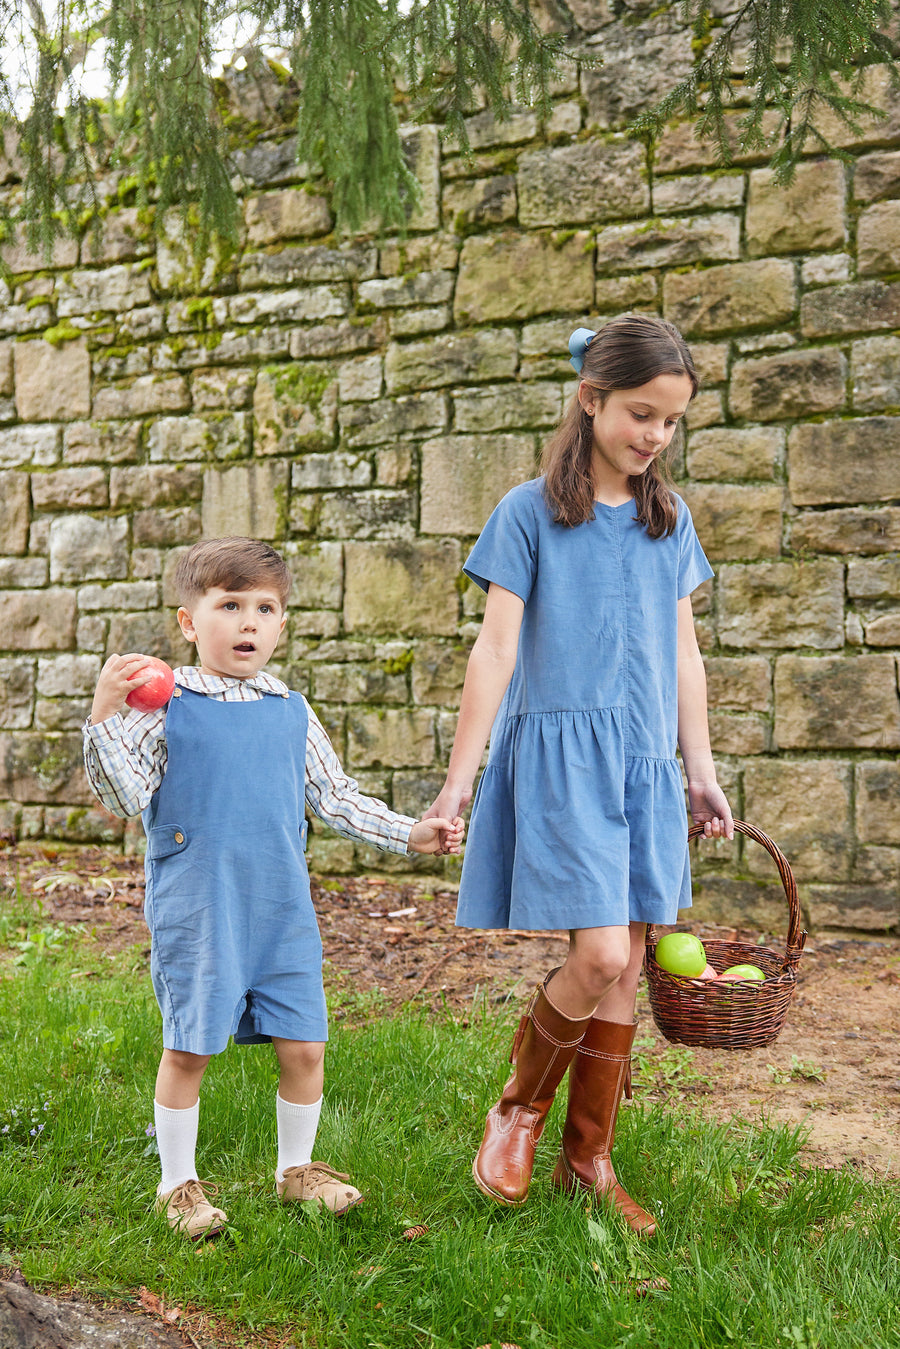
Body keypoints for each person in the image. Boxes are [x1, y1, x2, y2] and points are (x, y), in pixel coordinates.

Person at [425, 315, 733, 1238]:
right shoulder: (530, 512)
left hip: (642, 764)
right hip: (563, 755)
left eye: (672, 422)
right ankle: (517, 1110)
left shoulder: (666, 519)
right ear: (591, 399)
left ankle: (587, 1158)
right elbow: (497, 645)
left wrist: (701, 770)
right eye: (642, 414)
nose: (655, 437)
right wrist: (459, 780)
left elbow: (684, 654)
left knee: (630, 961)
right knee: (598, 953)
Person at [83, 536, 464, 1240]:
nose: (249, 621)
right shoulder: (165, 706)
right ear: (190, 622)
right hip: (201, 904)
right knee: (191, 1045)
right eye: (230, 605)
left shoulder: (292, 708)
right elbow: (125, 793)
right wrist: (107, 713)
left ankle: (296, 1170)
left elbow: (336, 796)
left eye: (266, 607)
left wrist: (412, 832)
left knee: (304, 1044)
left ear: (283, 624)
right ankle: (176, 1183)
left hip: (282, 908)